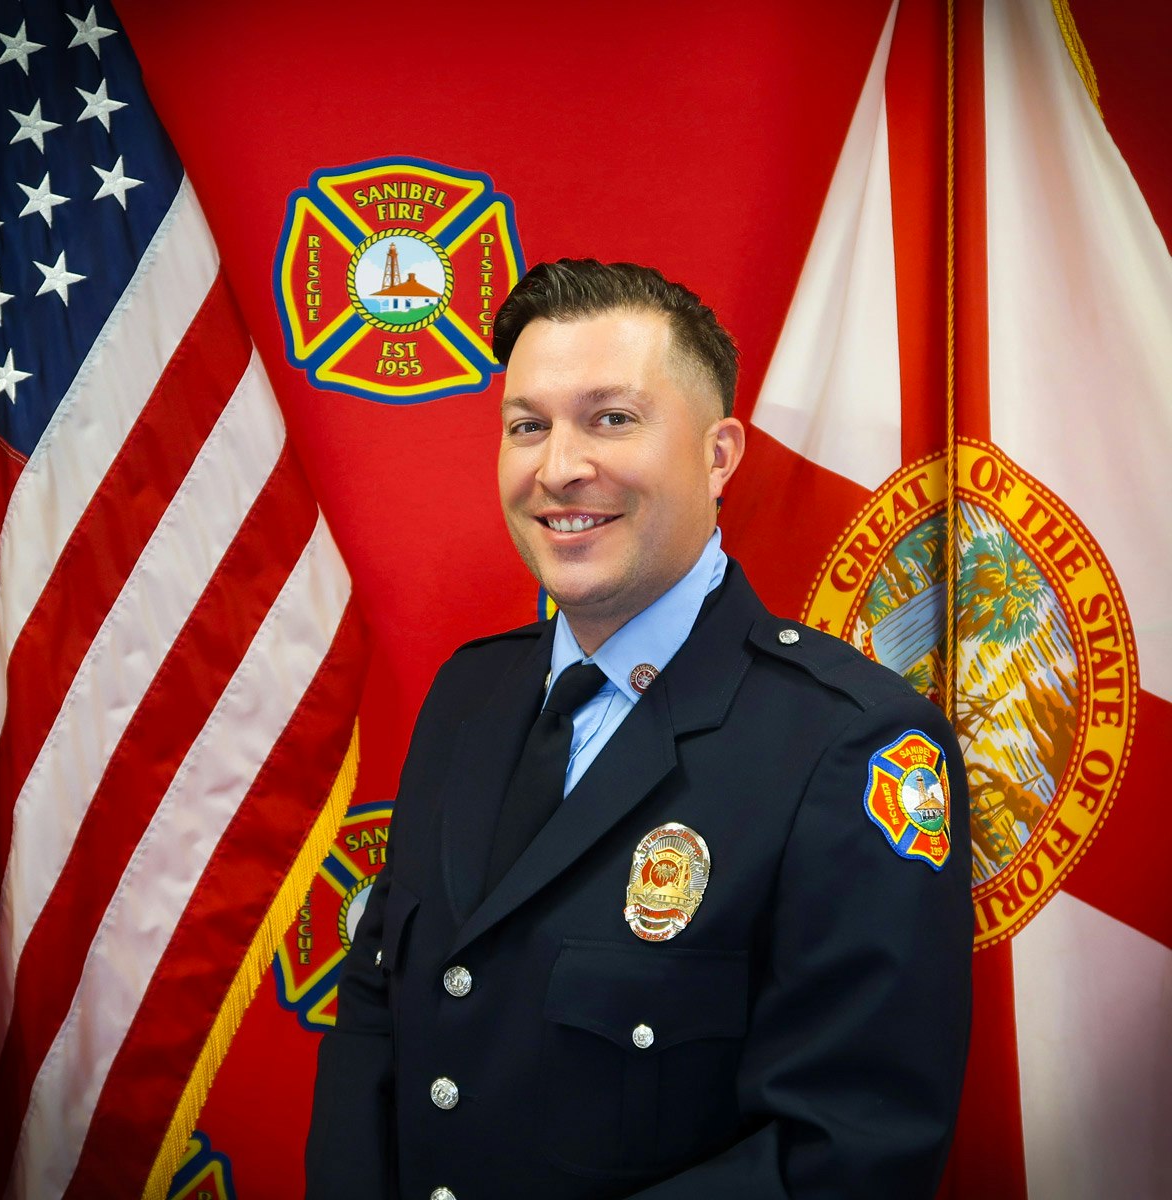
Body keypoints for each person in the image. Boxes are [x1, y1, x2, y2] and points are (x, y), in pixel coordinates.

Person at [306, 259, 972, 1199]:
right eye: (527, 426)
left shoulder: (850, 748)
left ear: (718, 454)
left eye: (611, 419)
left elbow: (847, 1153)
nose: (559, 466)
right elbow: (381, 1014)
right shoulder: (469, 696)